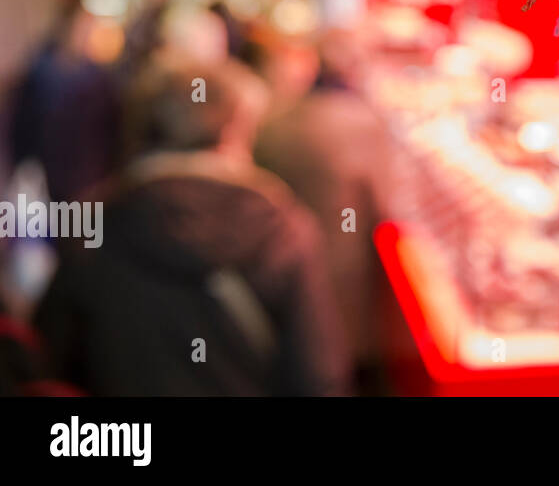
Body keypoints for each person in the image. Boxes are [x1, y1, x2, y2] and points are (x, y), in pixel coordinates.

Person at [34, 57, 350, 396]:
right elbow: (317, 376)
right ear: (233, 131)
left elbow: (52, 355)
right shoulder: (283, 229)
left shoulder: (90, 222)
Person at [255, 30, 392, 394]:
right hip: (341, 282)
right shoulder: (363, 123)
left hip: (276, 276)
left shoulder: (275, 118)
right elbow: (387, 208)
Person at [8, 0, 121, 203]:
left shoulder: (98, 76)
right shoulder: (41, 71)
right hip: (54, 173)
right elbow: (23, 124)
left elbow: (111, 128)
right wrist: (22, 165)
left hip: (90, 176)